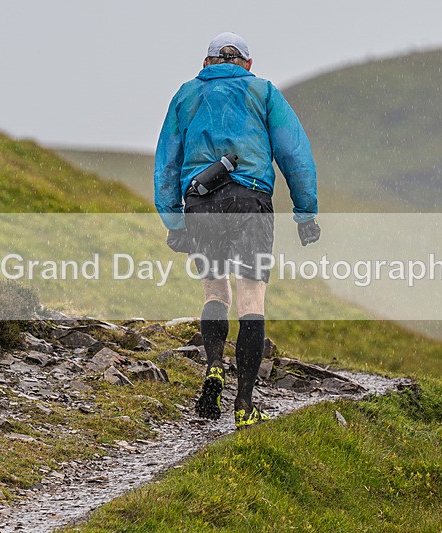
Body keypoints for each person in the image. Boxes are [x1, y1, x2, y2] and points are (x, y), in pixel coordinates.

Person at [154, 32, 320, 430]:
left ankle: (213, 365)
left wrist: (174, 221)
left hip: (201, 201)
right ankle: (244, 404)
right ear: (246, 63)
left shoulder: (187, 95)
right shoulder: (263, 92)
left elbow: (167, 162)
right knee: (251, 297)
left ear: (208, 62)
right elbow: (294, 154)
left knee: (215, 290)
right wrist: (305, 213)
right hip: (252, 202)